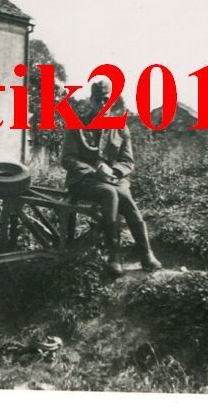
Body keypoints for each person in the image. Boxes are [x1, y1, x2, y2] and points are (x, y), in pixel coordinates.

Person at [61, 79, 163, 275]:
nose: (101, 104)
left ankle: (146, 254)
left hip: (113, 180)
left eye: (105, 100)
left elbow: (128, 161)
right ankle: (114, 256)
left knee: (125, 197)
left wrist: (114, 171)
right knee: (110, 194)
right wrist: (94, 171)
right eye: (97, 100)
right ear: (91, 100)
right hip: (83, 181)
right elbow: (67, 159)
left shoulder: (120, 128)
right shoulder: (77, 125)